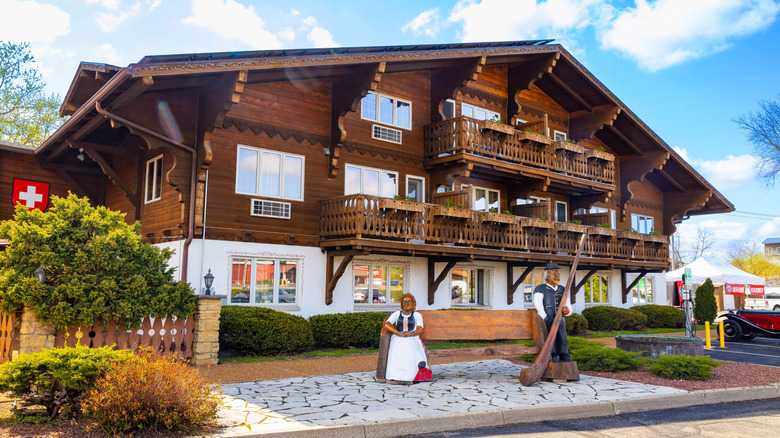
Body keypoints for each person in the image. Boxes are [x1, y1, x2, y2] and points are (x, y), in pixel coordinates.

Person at [381, 293, 431, 383]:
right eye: (404, 302)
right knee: (397, 346)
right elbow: (387, 324)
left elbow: (420, 328)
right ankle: (395, 375)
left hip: (412, 337)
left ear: (413, 303)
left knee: (410, 345)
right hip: (398, 337)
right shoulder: (397, 314)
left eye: (409, 301)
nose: (406, 304)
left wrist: (411, 333)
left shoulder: (416, 315)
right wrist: (397, 333)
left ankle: (412, 375)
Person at [533, 262, 572, 362]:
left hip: (560, 318)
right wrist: (544, 317)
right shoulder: (540, 289)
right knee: (549, 336)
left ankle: (564, 352)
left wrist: (567, 310)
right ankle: (552, 352)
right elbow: (538, 305)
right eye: (553, 272)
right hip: (548, 318)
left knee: (562, 335)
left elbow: (568, 304)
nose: (557, 274)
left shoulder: (563, 289)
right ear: (547, 274)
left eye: (558, 272)